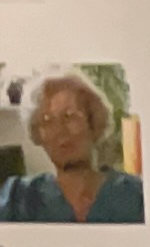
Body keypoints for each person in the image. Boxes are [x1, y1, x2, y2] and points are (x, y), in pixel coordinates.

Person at [2, 71, 142, 223]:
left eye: (70, 116)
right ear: (38, 134)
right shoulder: (18, 198)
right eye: (47, 120)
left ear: (92, 121)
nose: (60, 130)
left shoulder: (135, 194)